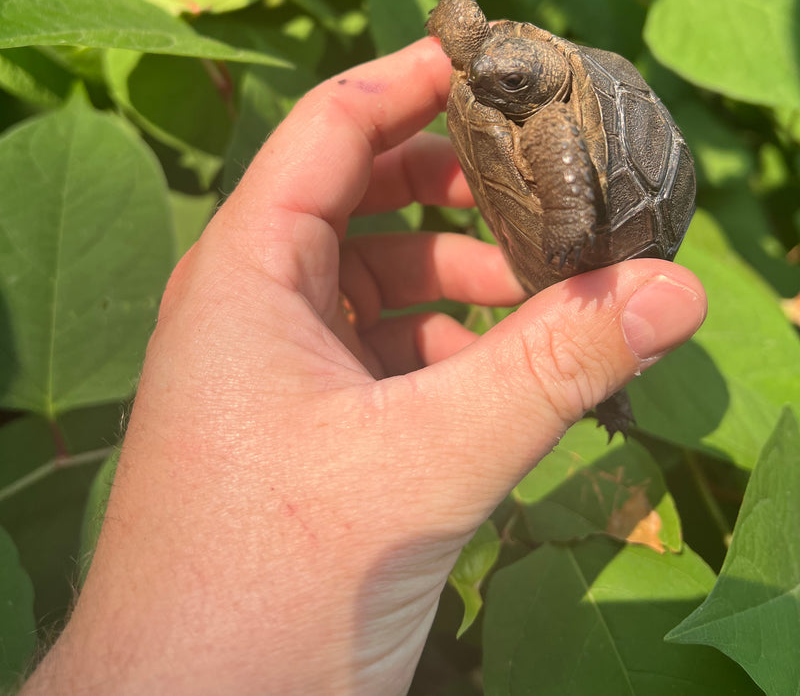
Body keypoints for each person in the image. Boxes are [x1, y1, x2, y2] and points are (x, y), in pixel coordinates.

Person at [21, 37, 706, 696]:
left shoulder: (556, 123)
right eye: (485, 69)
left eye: (511, 83)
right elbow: (475, 41)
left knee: (576, 275)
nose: (485, 78)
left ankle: (608, 398)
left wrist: (570, 239)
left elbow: (574, 200)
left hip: (621, 220)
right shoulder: (511, 62)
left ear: (545, 83)